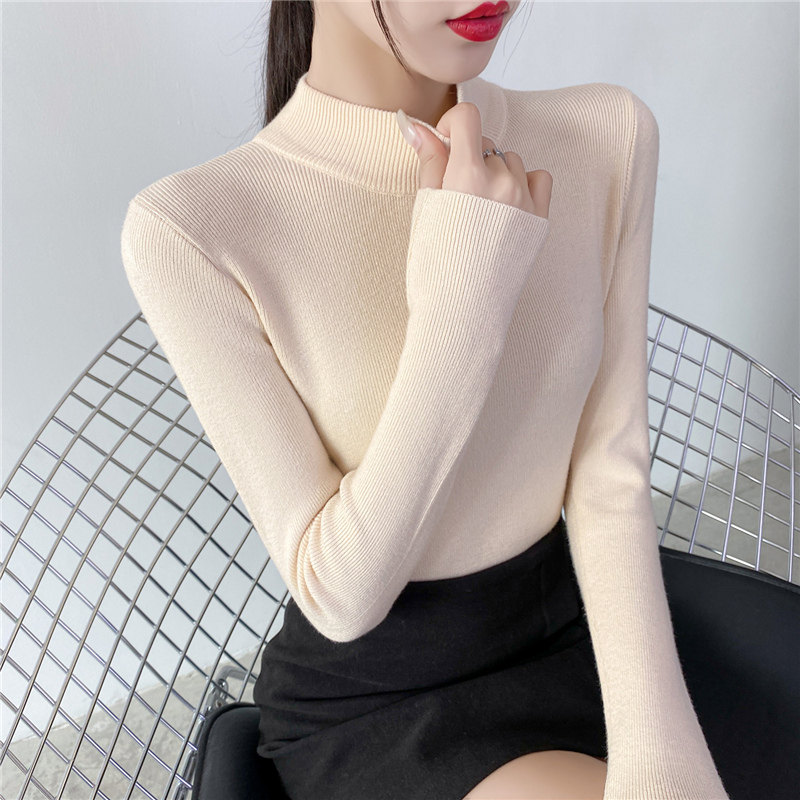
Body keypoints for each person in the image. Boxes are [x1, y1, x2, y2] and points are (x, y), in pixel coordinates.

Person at [119, 1, 730, 798]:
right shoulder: (193, 226)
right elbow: (340, 598)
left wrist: (662, 759)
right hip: (385, 704)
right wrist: (463, 304)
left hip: (575, 626)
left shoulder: (605, 133)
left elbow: (609, 470)